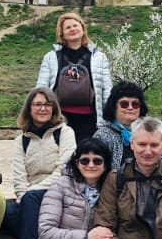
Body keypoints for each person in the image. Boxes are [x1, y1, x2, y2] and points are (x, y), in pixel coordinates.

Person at [0, 88, 77, 239]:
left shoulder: (65, 133)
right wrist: (23, 195)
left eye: (47, 104)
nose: (42, 108)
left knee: (31, 199)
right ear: (29, 109)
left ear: (54, 108)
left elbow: (65, 170)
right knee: (3, 210)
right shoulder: (21, 141)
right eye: (37, 104)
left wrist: (30, 194)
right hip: (30, 199)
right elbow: (18, 175)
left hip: (60, 194)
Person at [34, 12, 114, 144]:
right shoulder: (51, 57)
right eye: (68, 27)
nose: (72, 29)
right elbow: (41, 88)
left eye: (75, 25)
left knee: (86, 156)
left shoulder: (99, 57)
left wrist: (109, 115)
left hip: (90, 118)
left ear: (83, 29)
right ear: (62, 34)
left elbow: (107, 89)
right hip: (60, 117)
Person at [94, 81, 162, 171]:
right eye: (124, 104)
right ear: (114, 107)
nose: (130, 108)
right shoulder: (103, 136)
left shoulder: (154, 130)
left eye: (135, 104)